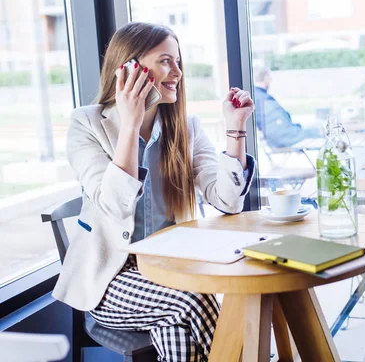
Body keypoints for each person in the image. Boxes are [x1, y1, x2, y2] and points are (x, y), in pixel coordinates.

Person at [52, 22, 255, 361]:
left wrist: (235, 128)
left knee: (175, 327)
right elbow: (115, 205)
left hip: (171, 272)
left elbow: (227, 201)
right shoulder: (85, 123)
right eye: (165, 61)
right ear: (130, 68)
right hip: (110, 281)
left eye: (178, 62)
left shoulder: (185, 128)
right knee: (190, 300)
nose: (177, 72)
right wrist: (130, 124)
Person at [254, 66, 321, 148]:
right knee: (319, 129)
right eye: (270, 78)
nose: (270, 81)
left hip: (277, 137)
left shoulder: (257, 96)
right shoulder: (264, 99)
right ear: (266, 78)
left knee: (314, 127)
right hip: (284, 137)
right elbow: (282, 127)